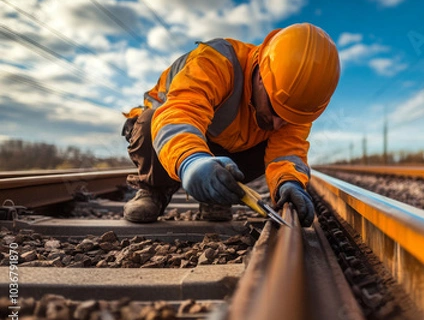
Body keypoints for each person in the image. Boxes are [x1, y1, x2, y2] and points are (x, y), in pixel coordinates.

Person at [121, 23, 340, 227]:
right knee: (150, 122)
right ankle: (153, 190)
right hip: (169, 131)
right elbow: (179, 115)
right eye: (275, 109)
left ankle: (217, 196)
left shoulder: (297, 105)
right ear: (262, 77)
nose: (278, 123)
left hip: (225, 146)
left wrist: (289, 183)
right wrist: (191, 161)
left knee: (270, 148)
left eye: (289, 118)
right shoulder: (217, 61)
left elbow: (286, 153)